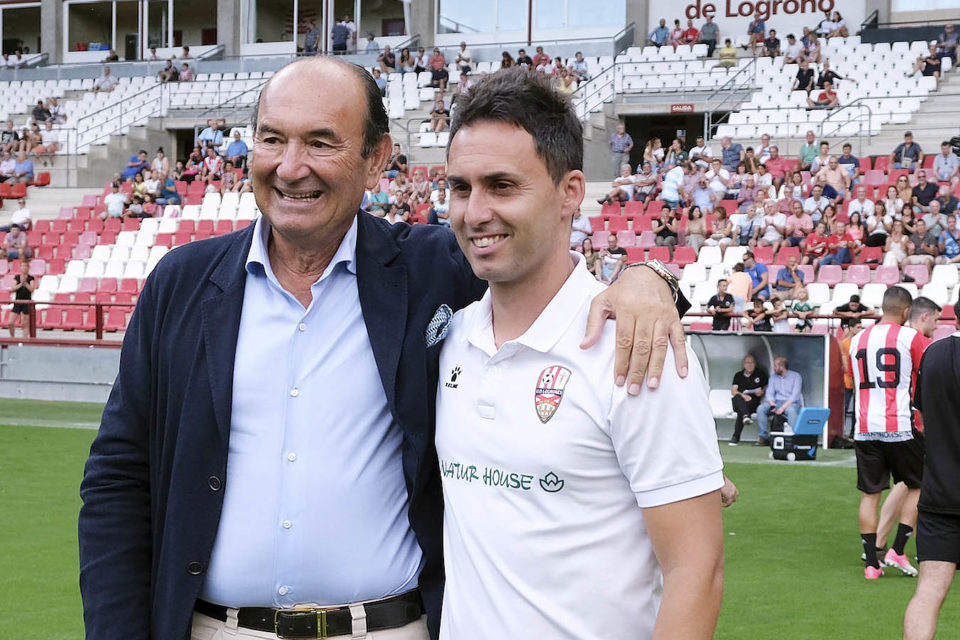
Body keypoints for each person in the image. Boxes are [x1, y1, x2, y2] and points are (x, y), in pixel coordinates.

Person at [79, 58, 687, 640]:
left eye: (321, 142)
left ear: (377, 160)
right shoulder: (181, 284)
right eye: (272, 139)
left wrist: (649, 277)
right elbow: (117, 478)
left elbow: (542, 264)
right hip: (215, 629)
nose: (292, 167)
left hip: (388, 629)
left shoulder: (434, 269)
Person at [438, 66, 724, 640]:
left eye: (502, 185)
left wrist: (649, 274)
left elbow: (697, 570)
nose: (475, 212)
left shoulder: (638, 345)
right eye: (460, 188)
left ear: (570, 193)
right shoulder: (450, 336)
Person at [849, 286, 927, 580]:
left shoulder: (857, 340)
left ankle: (872, 564)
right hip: (899, 424)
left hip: (866, 426)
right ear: (907, 312)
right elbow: (924, 373)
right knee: (919, 484)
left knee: (870, 494)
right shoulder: (910, 337)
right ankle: (897, 548)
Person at [903, 298, 960, 639]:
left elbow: (922, 411)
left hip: (939, 493)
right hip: (940, 494)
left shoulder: (934, 354)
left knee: (928, 591)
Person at [755, 356, 802, 446]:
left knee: (791, 411)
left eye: (775, 366)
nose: (774, 368)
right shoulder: (773, 377)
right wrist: (773, 405)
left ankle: (793, 438)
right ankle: (763, 437)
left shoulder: (796, 376)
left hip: (790, 403)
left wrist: (782, 408)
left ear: (782, 367)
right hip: (776, 402)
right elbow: (769, 393)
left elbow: (795, 396)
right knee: (761, 409)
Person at [729, 355, 767, 445]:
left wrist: (762, 391)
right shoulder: (738, 375)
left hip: (753, 402)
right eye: (747, 363)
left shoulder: (760, 374)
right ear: (744, 364)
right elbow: (734, 391)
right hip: (740, 400)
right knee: (738, 398)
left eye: (752, 362)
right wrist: (743, 395)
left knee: (741, 412)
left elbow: (767, 386)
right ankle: (746, 416)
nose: (750, 365)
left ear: (755, 364)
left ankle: (735, 437)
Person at [7, 260, 34, 338]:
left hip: (27, 302)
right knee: (10, 322)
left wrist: (25, 283)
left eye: (26, 266)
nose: (24, 268)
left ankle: (24, 340)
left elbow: (32, 289)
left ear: (28, 268)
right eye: (22, 266)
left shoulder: (31, 278)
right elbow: (12, 288)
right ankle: (12, 337)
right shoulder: (17, 277)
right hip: (18, 302)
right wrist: (21, 284)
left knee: (25, 324)